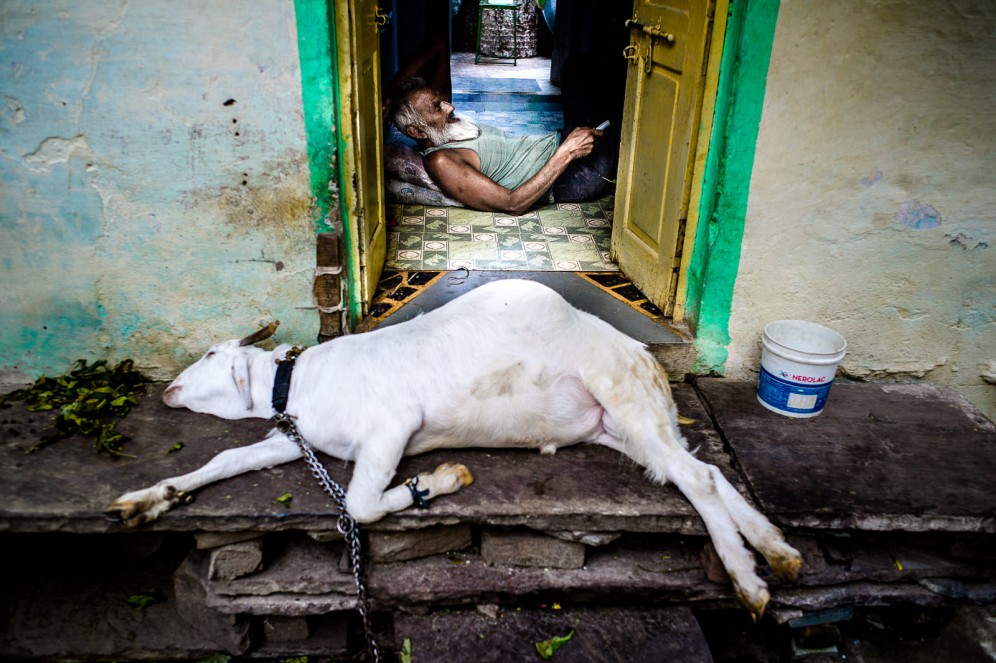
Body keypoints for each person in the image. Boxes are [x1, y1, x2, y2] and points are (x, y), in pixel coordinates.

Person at [385, 40, 619, 215]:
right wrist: (567, 152)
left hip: (564, 143)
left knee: (575, 68)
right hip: (575, 175)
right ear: (417, 131)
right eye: (438, 106)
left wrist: (388, 93)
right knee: (617, 100)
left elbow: (437, 44)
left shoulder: (442, 127)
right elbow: (512, 203)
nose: (450, 107)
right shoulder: (441, 161)